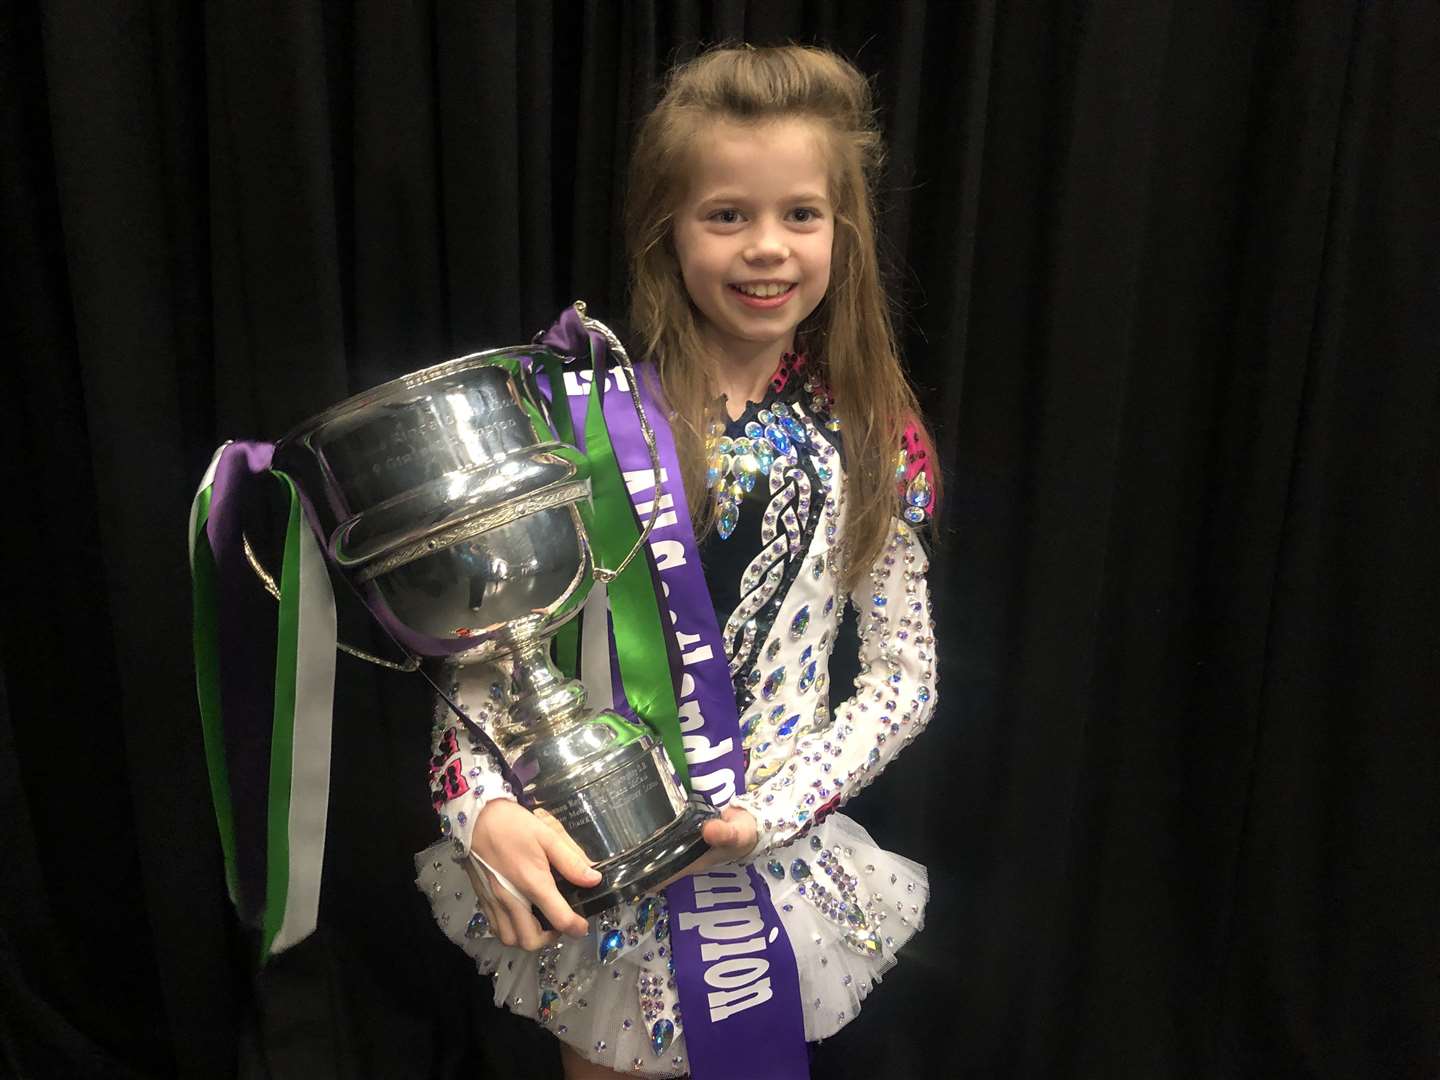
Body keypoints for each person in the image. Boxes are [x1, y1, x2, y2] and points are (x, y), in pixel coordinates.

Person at [415, 44, 939, 1078]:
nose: (768, 249)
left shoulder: (876, 435)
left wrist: (778, 810)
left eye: (800, 214)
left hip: (774, 868)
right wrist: (479, 806)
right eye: (727, 215)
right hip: (606, 872)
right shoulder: (581, 422)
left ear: (844, 229)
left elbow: (904, 673)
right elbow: (493, 660)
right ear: (668, 228)